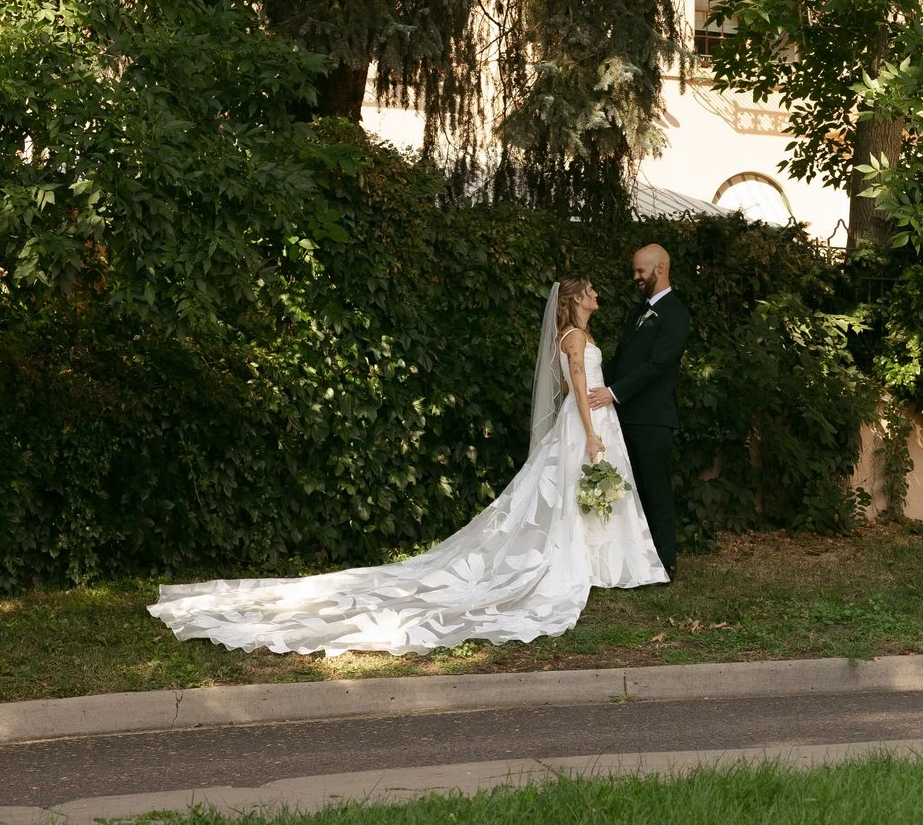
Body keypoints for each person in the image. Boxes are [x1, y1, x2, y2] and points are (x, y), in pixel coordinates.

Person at [148, 277, 666, 656]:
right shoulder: (573, 339)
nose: (599, 297)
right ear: (576, 300)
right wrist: (592, 434)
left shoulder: (584, 336)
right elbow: (577, 386)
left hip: (597, 421)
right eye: (592, 292)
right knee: (570, 497)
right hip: (585, 427)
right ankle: (585, 564)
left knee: (581, 497)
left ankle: (605, 563)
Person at [589, 243, 688, 575]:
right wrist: (590, 382)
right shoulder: (636, 312)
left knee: (655, 489)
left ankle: (665, 562)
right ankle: (634, 558)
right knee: (627, 490)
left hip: (653, 418)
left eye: (640, 271)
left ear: (660, 268)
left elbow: (657, 364)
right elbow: (623, 360)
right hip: (624, 416)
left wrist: (612, 393)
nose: (635, 277)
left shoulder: (675, 313)